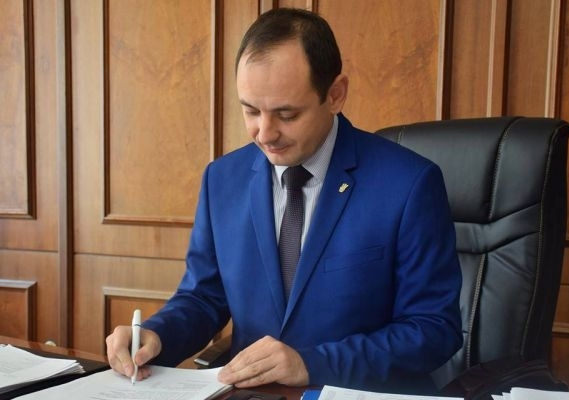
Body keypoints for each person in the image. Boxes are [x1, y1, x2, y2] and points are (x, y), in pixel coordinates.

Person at [106, 7, 462, 394]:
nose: (265, 133)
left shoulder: (409, 184)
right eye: (250, 111)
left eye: (287, 114)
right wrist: (156, 335)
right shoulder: (222, 180)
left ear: (335, 95)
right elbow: (204, 297)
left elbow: (433, 329)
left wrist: (311, 363)